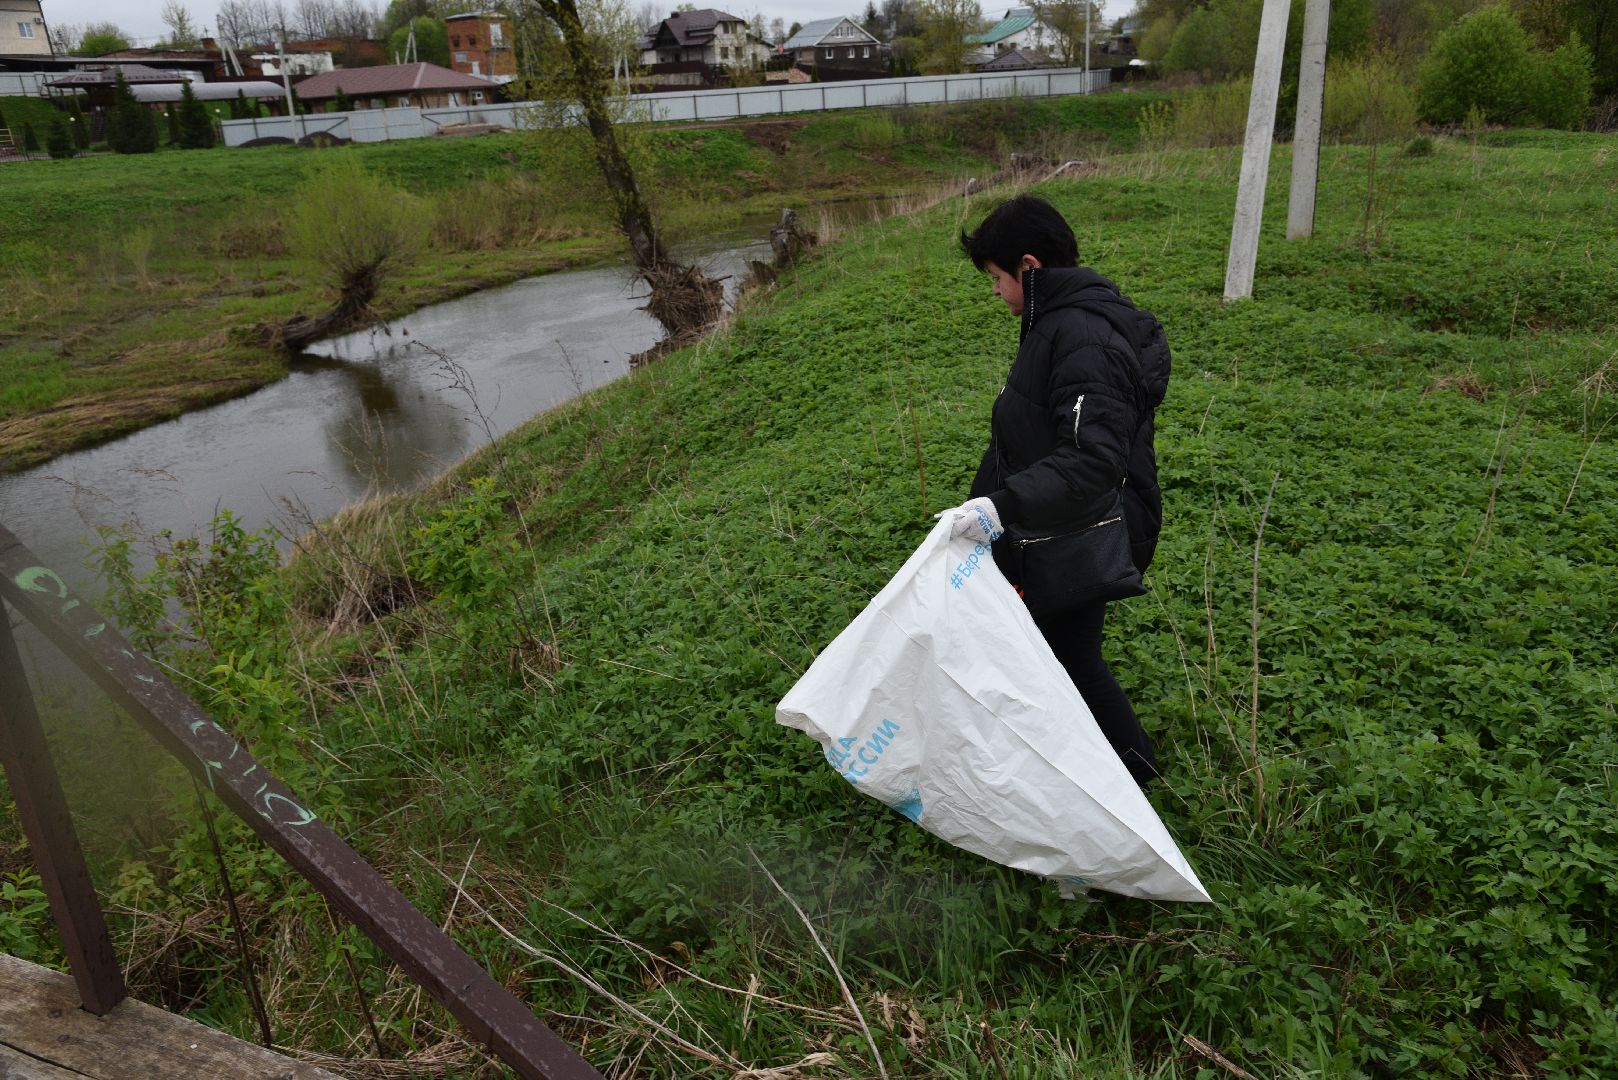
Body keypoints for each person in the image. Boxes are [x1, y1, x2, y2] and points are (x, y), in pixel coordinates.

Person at [943, 195, 1172, 789]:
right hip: (1059, 522)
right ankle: (1094, 779)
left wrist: (1002, 506)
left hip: (1081, 526)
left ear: (1028, 265)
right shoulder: (1055, 321)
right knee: (1057, 654)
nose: (993, 291)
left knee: (1070, 657)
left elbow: (1092, 459)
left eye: (996, 278)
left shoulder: (1081, 335)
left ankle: (1131, 780)